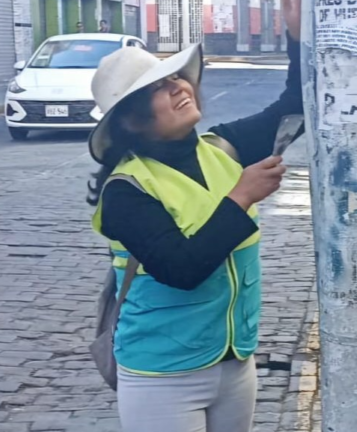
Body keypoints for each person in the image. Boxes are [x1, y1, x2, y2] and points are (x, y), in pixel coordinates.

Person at [85, 1, 302, 431]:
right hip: (162, 375)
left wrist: (296, 38)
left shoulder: (223, 149)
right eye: (159, 88)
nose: (179, 87)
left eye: (175, 78)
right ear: (131, 118)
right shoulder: (126, 190)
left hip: (234, 362)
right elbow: (180, 268)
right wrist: (240, 197)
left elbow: (296, 105)